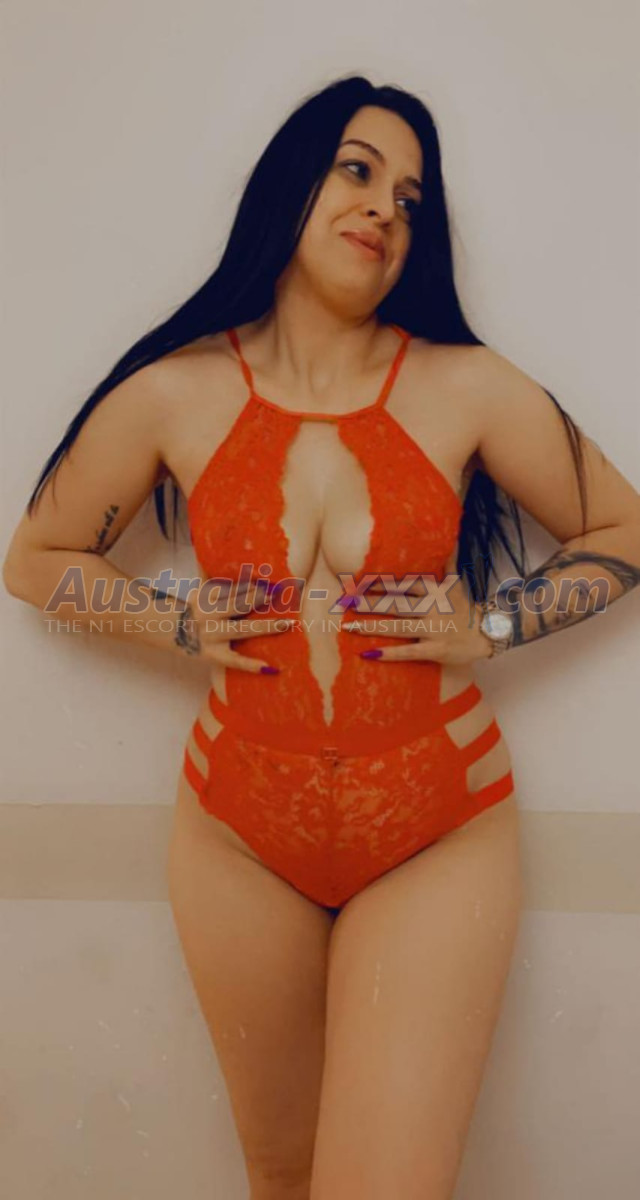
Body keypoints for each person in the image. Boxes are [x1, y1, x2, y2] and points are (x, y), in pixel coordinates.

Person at [4, 74, 640, 1200]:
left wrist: (493, 622)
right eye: (358, 170)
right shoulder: (175, 392)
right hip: (237, 842)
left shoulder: (467, 385)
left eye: (411, 198)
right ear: (291, 184)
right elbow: (35, 558)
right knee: (283, 1176)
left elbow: (624, 529)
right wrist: (170, 618)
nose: (385, 207)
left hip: (435, 835)